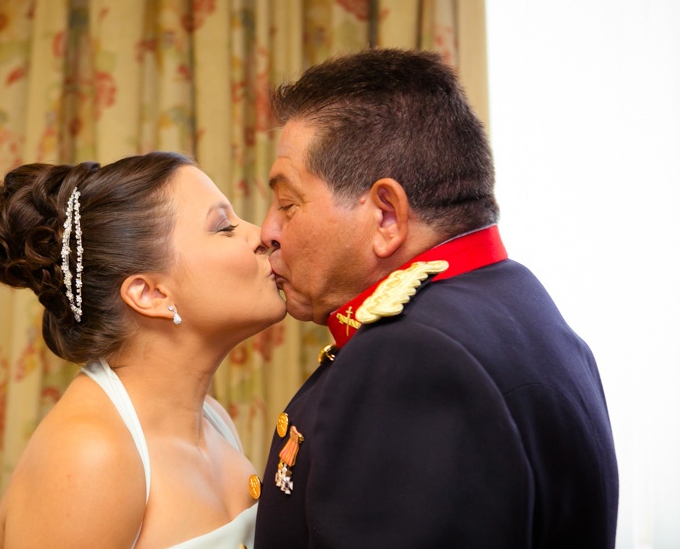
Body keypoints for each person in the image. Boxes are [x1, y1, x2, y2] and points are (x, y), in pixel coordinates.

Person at [253, 49, 619, 547]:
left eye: (288, 203)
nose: (268, 230)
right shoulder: (521, 300)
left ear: (386, 216)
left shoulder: (409, 357)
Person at [0, 152, 286, 548]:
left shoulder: (214, 420)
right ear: (150, 294)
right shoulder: (89, 457)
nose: (263, 235)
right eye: (224, 227)